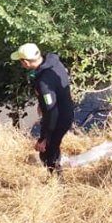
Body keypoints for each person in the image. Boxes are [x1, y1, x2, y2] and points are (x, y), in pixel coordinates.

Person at [11, 43, 73, 174]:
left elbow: (52, 112)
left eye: (20, 61)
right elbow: (52, 94)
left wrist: (44, 138)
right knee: (53, 147)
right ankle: (56, 171)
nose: (21, 64)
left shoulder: (43, 82)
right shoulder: (53, 61)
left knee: (47, 153)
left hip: (59, 119)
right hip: (66, 110)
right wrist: (42, 103)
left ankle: (57, 182)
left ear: (26, 62)